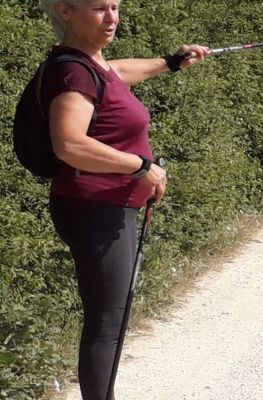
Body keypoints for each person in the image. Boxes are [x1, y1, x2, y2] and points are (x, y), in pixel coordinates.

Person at [31, 0, 210, 399]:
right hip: (94, 208)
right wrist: (140, 167)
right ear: (65, 11)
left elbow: (121, 72)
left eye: (115, 6)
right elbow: (69, 143)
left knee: (112, 316)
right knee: (107, 321)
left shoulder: (88, 62)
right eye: (98, 8)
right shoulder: (74, 73)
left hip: (107, 207)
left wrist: (169, 62)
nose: (111, 17)